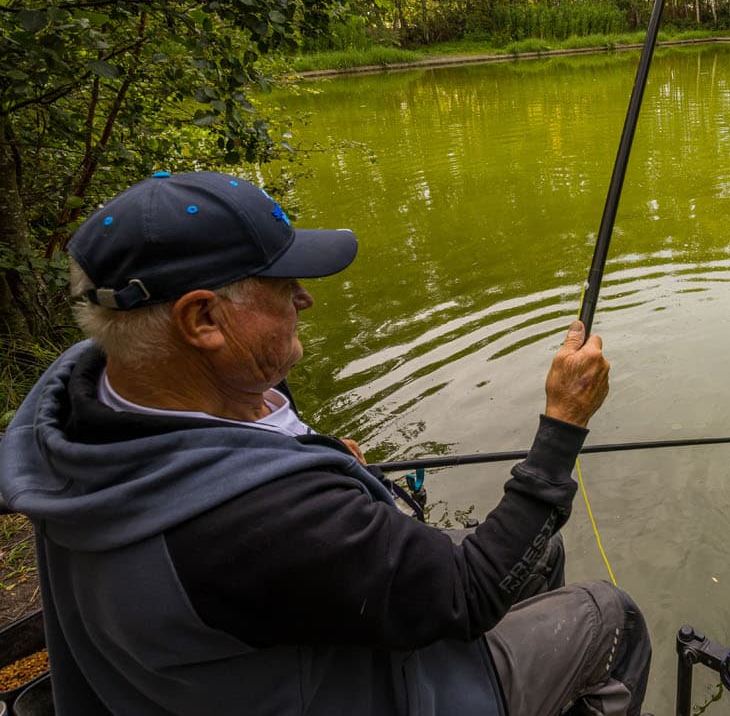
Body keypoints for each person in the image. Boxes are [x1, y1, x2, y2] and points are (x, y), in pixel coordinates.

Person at [0, 171, 650, 716]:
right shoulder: (269, 521)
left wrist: (310, 460)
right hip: (379, 695)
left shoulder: (75, 426)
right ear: (202, 320)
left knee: (539, 553)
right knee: (609, 616)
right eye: (282, 289)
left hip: (229, 677)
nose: (305, 300)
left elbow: (258, 499)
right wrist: (562, 424)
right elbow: (467, 590)